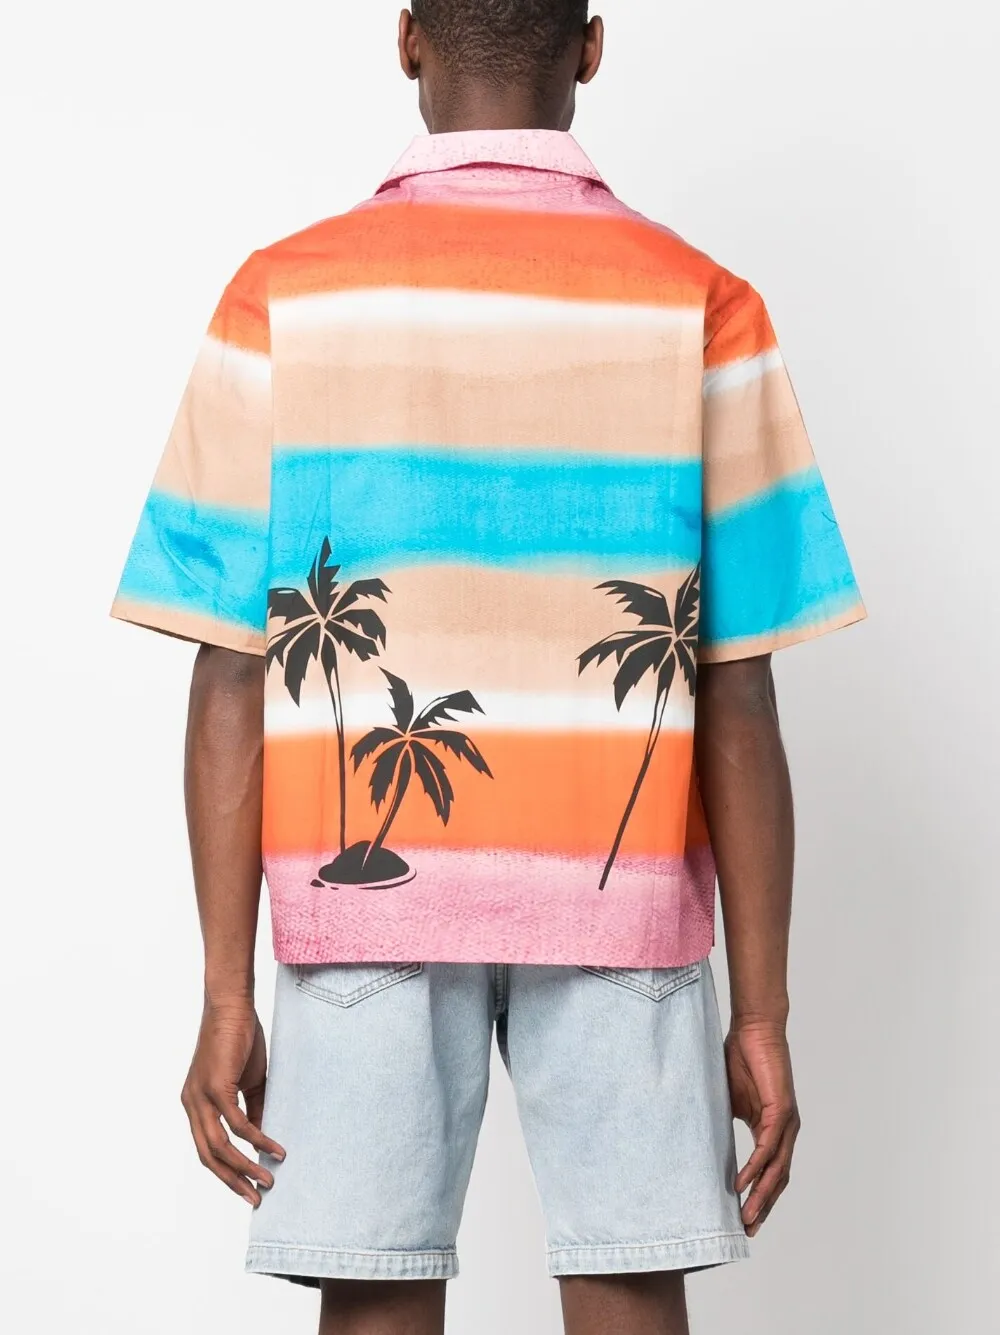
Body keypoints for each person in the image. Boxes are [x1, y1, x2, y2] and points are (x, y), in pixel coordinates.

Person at [112, 4, 865, 1332]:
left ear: (408, 40)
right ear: (590, 48)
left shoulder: (284, 295)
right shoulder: (701, 300)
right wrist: (763, 1010)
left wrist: (227, 990)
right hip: (623, 901)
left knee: (374, 1302)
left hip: (361, 907)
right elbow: (739, 693)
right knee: (632, 1286)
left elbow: (229, 675)